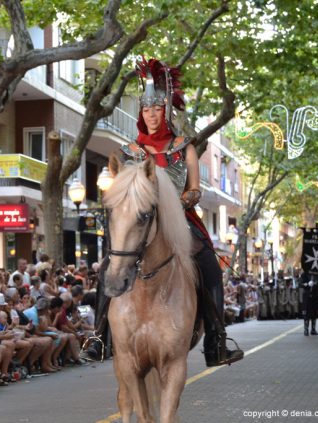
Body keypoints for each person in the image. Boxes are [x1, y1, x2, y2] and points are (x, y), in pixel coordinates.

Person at [110, 57, 243, 367]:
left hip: (181, 221)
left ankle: (216, 341)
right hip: (138, 221)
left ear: (167, 111)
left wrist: (181, 201)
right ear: (140, 114)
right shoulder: (127, 152)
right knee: (112, 261)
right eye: (146, 109)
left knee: (210, 267)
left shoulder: (185, 147)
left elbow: (195, 189)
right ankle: (98, 336)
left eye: (157, 109)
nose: (152, 114)